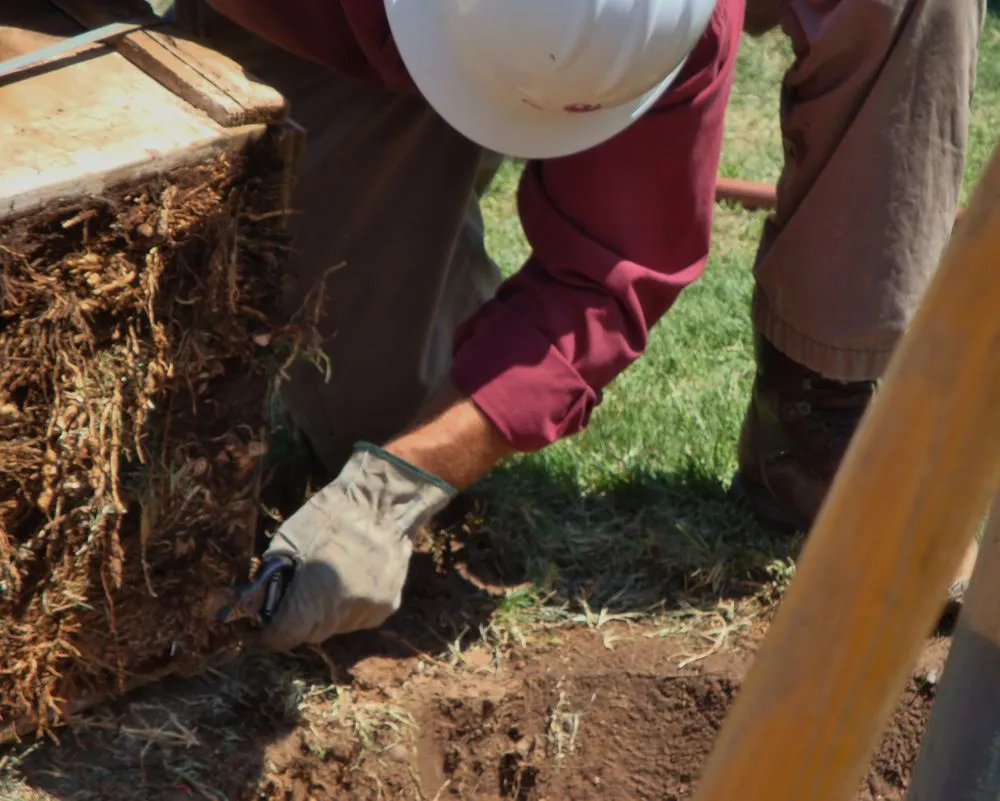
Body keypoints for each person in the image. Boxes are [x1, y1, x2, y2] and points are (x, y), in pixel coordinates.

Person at [166, 0, 981, 651]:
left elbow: (609, 274)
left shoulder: (667, 22)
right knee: (379, 403)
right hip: (329, 30)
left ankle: (813, 414)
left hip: (602, 39)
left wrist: (399, 484)